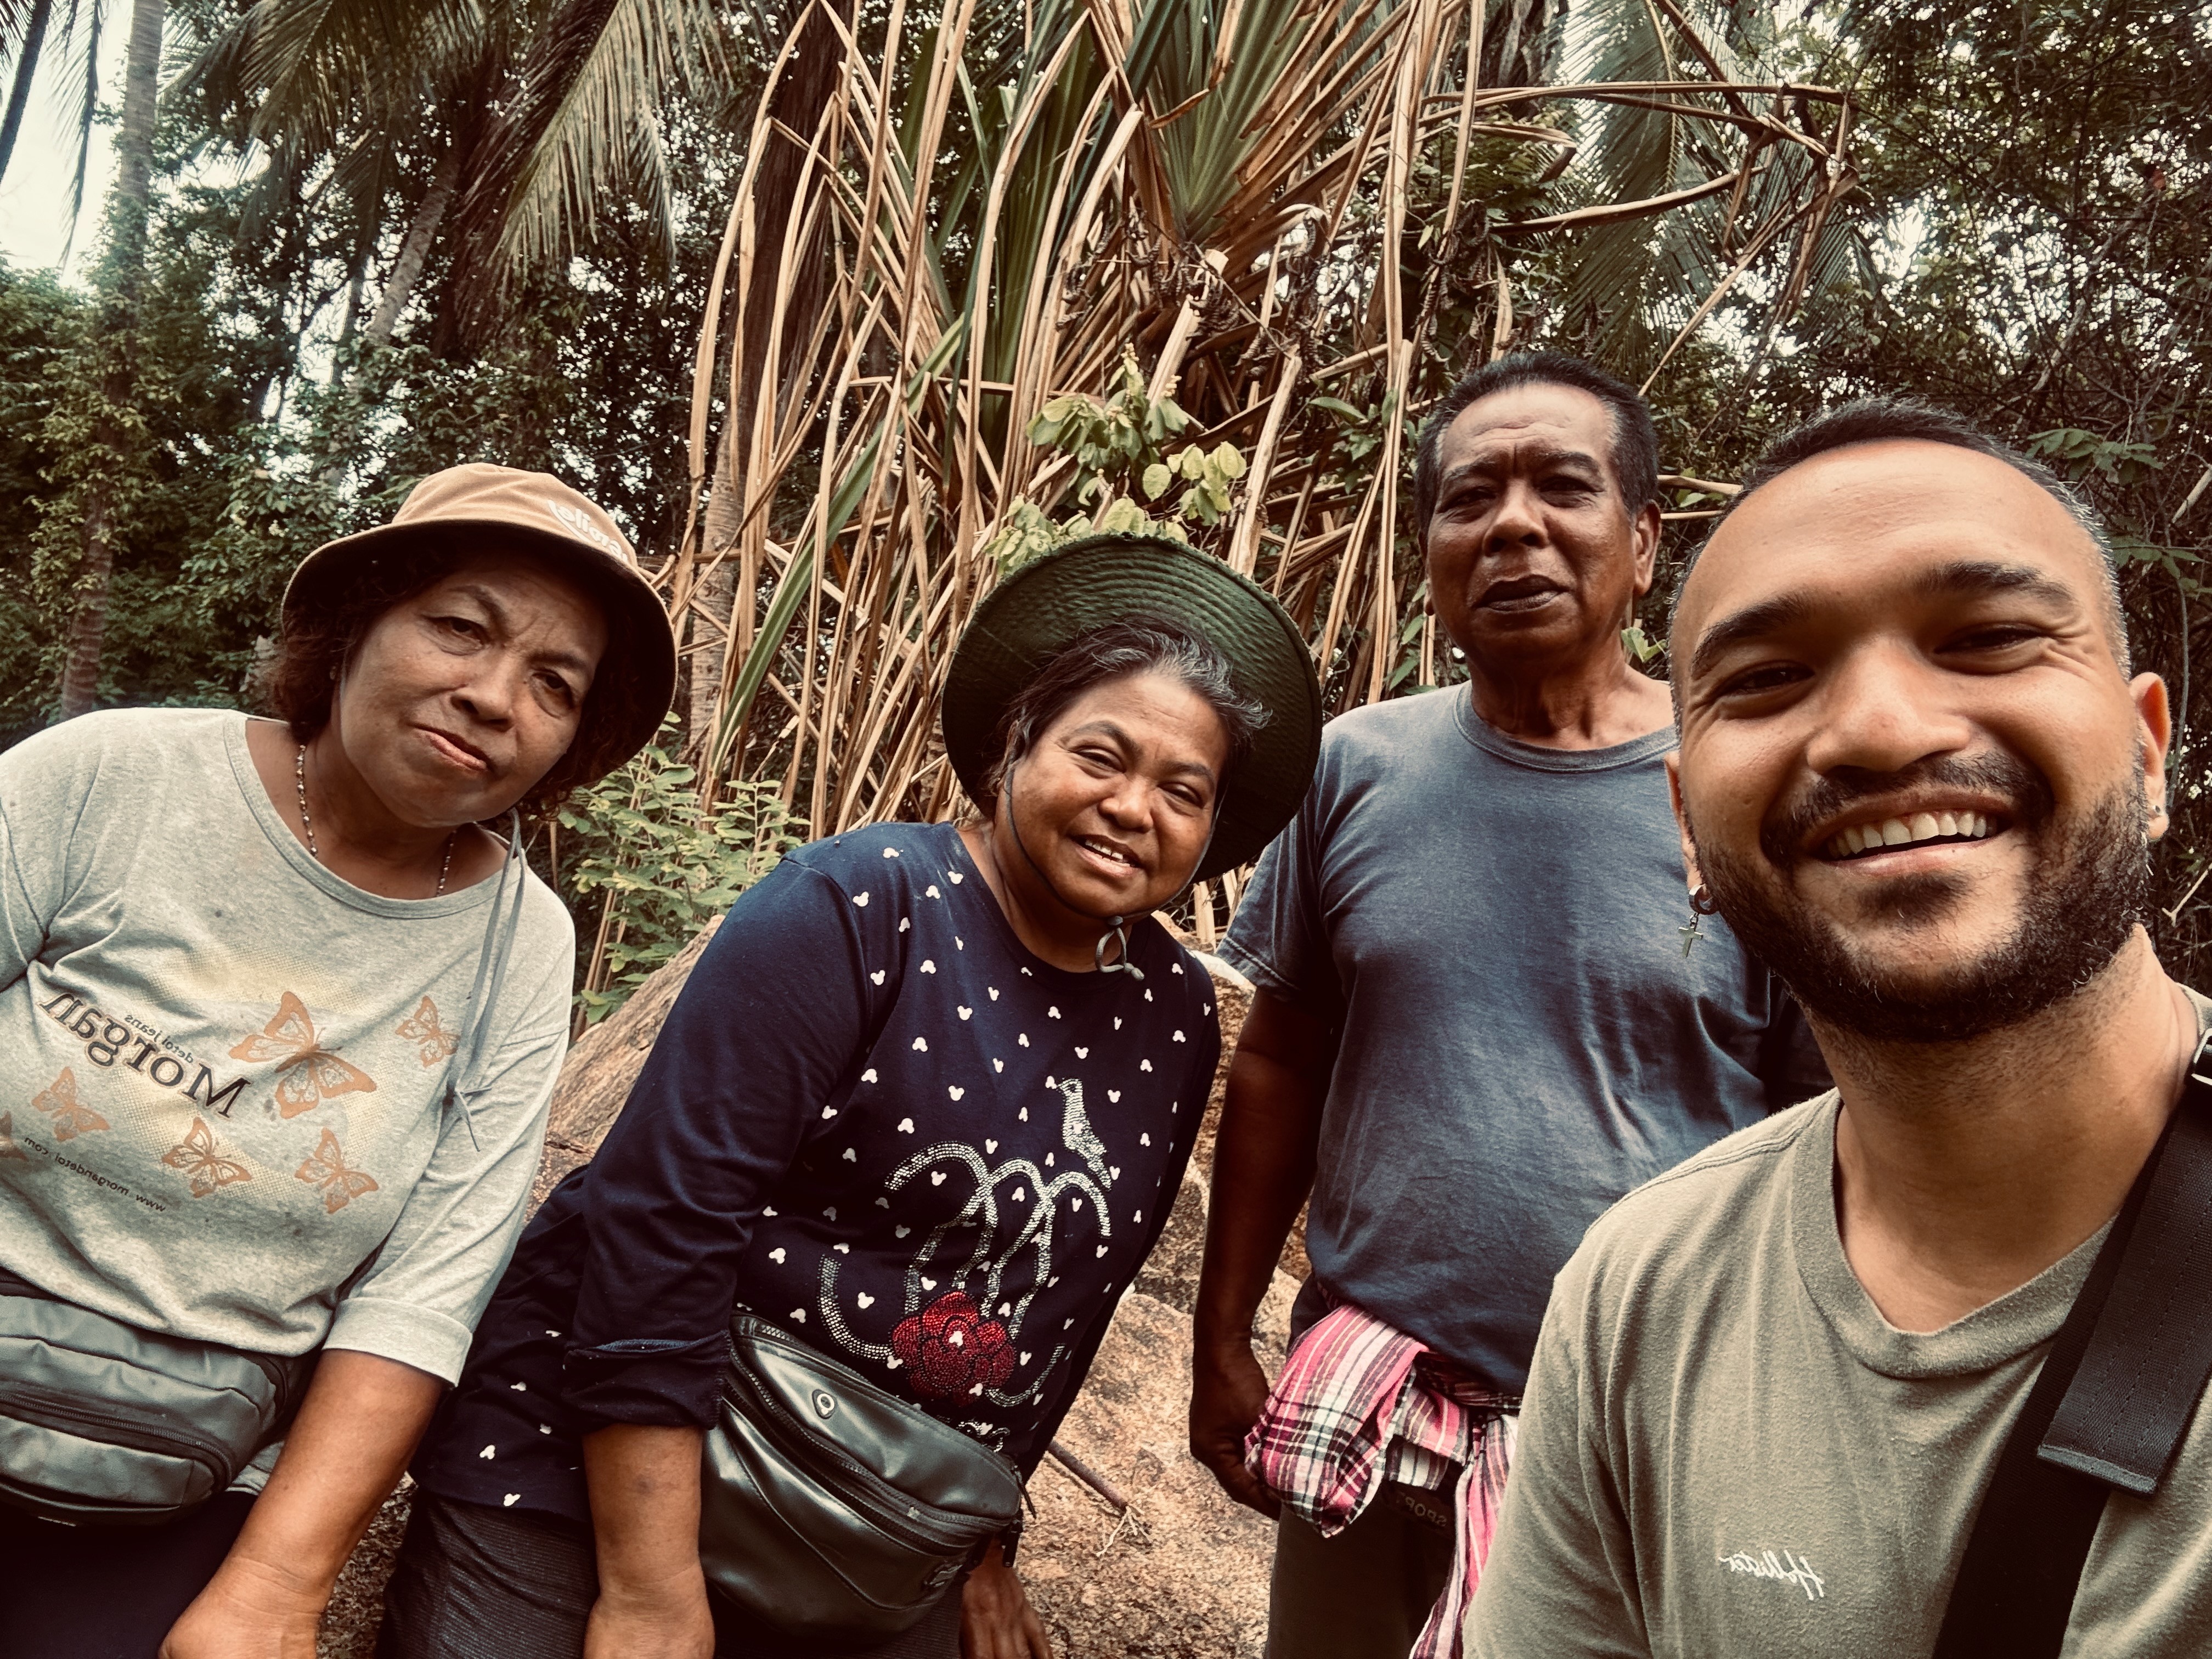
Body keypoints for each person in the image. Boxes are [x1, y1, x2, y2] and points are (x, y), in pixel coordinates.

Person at [383, 534, 1324, 1658]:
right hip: (599, 1457)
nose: (1134, 808)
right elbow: (661, 1228)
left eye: (1184, 791)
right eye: (1101, 756)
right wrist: (648, 1587)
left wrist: (979, 1538)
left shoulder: (1169, 1012)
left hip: (866, 1506)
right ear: (1015, 744)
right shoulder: (856, 906)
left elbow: (1063, 1304)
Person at [1464, 400, 2212, 1656]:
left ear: (2149, 754)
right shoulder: (1642, 1291)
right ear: (1688, 827)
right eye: (1766, 679)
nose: (1879, 730)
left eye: (1985, 637)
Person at [1189, 353, 1829, 1659]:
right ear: (1429, 549)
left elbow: (1833, 1135)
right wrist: (1222, 1340)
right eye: (1470, 497)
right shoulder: (1355, 767)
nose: (1514, 525)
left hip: (1644, 1437)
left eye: (1563, 489)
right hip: (1371, 1394)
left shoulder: (1745, 792)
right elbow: (1281, 1065)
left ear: (1645, 542)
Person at [0, 464, 676, 1658]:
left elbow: (428, 1286)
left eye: (553, 684)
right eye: (461, 628)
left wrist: (275, 1588)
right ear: (359, 623)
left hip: (188, 1456)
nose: (491, 696)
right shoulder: (110, 778)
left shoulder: (520, 945)